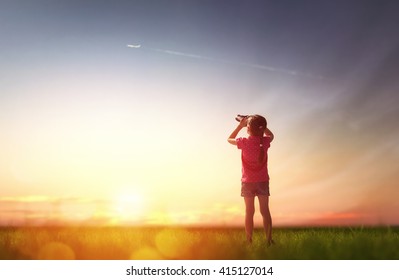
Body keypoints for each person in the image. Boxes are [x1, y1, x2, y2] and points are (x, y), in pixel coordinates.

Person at [227, 114, 275, 246]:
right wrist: (262, 127)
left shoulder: (244, 142)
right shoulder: (265, 142)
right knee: (265, 211)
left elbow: (229, 139)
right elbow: (271, 136)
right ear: (262, 128)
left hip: (247, 182)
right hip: (263, 181)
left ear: (247, 129)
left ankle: (248, 240)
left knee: (249, 212)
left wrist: (240, 125)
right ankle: (269, 240)